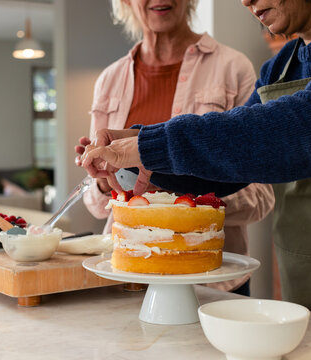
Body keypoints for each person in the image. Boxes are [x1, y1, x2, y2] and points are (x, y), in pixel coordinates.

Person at [81, 0, 311, 329]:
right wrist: (139, 145)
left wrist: (154, 144)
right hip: (306, 300)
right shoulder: (281, 66)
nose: (246, 1)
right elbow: (228, 170)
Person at [75, 0, 275, 296]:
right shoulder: (109, 80)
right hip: (129, 277)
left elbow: (260, 195)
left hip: (213, 283)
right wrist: (104, 181)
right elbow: (96, 202)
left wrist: (178, 200)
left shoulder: (233, 68)